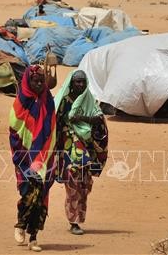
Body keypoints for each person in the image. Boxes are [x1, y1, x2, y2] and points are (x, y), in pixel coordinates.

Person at [9, 65, 58, 252]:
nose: (38, 84)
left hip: (44, 154)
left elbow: (51, 126)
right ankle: (21, 224)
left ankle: (34, 237)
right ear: (27, 82)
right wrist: (24, 153)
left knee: (41, 196)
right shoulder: (20, 103)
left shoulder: (48, 101)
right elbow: (14, 129)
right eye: (35, 81)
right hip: (24, 155)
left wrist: (45, 152)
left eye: (41, 81)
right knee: (29, 193)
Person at [54, 70, 108, 235]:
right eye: (77, 82)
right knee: (72, 182)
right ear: (71, 83)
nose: (80, 85)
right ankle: (73, 221)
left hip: (86, 146)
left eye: (83, 82)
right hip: (69, 146)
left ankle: (78, 219)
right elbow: (56, 120)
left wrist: (81, 119)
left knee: (84, 184)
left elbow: (99, 119)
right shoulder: (64, 101)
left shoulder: (88, 99)